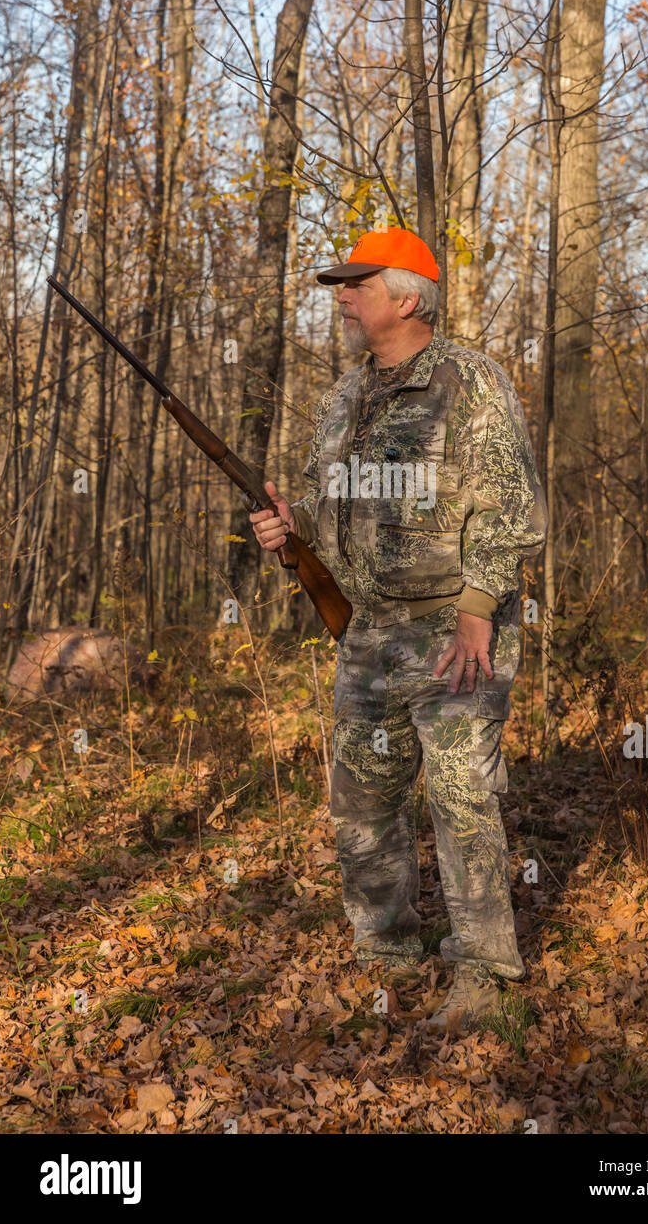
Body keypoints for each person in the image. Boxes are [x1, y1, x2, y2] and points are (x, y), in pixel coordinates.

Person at [250, 227, 547, 1032]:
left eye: (357, 284)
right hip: (369, 637)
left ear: (407, 297)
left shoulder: (469, 384)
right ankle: (386, 954)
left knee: (461, 798)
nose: (341, 297)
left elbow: (510, 508)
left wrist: (479, 613)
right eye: (341, 285)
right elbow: (330, 503)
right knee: (363, 799)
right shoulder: (344, 398)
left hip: (456, 633)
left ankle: (483, 973)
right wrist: (291, 524)